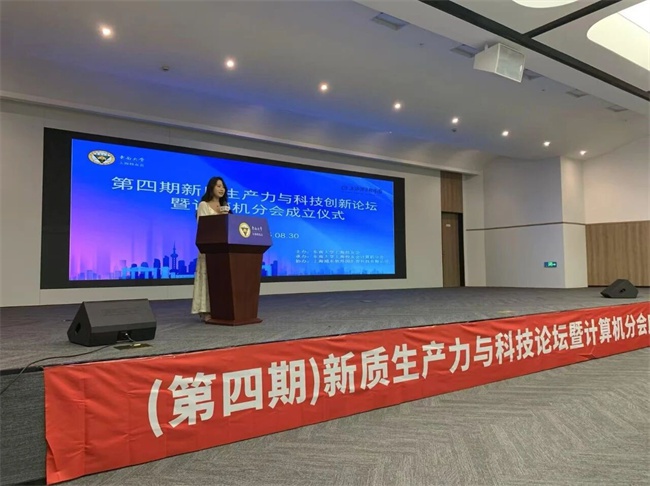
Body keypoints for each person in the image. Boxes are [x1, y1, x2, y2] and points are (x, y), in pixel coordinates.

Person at [191, 176, 230, 322]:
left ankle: (220, 309)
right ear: (211, 188)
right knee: (207, 278)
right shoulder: (204, 205)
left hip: (223, 251)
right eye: (218, 186)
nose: (221, 189)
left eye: (223, 186)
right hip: (208, 250)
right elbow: (204, 227)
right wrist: (219, 217)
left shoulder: (225, 206)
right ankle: (205, 310)